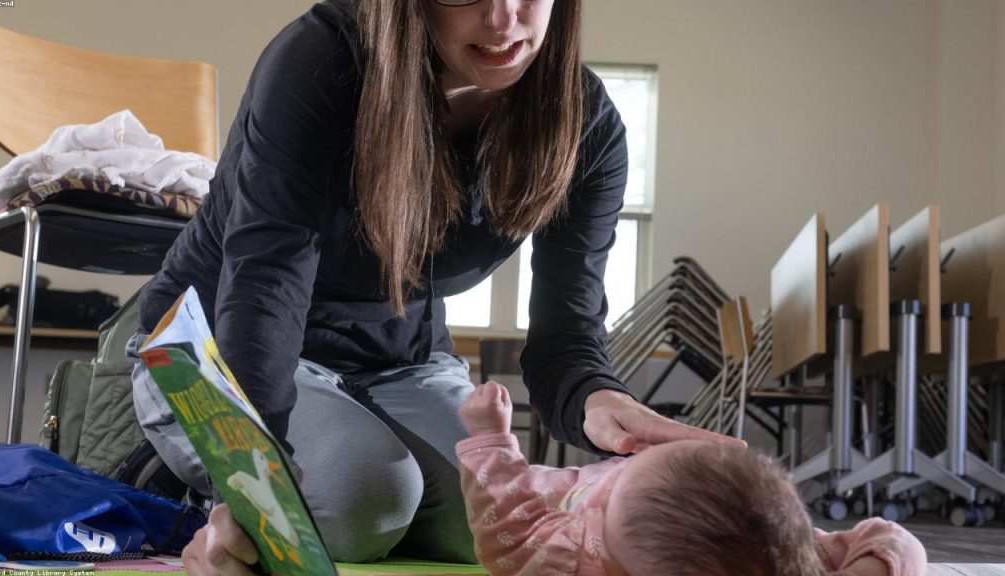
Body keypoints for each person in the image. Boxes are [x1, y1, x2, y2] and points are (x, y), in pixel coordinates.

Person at [127, 0, 743, 573]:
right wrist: (247, 477)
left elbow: (566, 339)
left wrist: (609, 407)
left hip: (401, 362)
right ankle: (175, 476)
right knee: (370, 501)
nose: (503, 19)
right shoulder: (319, 62)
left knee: (492, 515)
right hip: (217, 345)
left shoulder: (588, 127)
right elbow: (265, 288)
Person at [457, 381, 929, 576]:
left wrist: (491, 440)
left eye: (619, 479)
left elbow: (507, 527)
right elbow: (896, 540)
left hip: (538, 488)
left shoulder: (571, 554)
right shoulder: (778, 545)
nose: (621, 461)